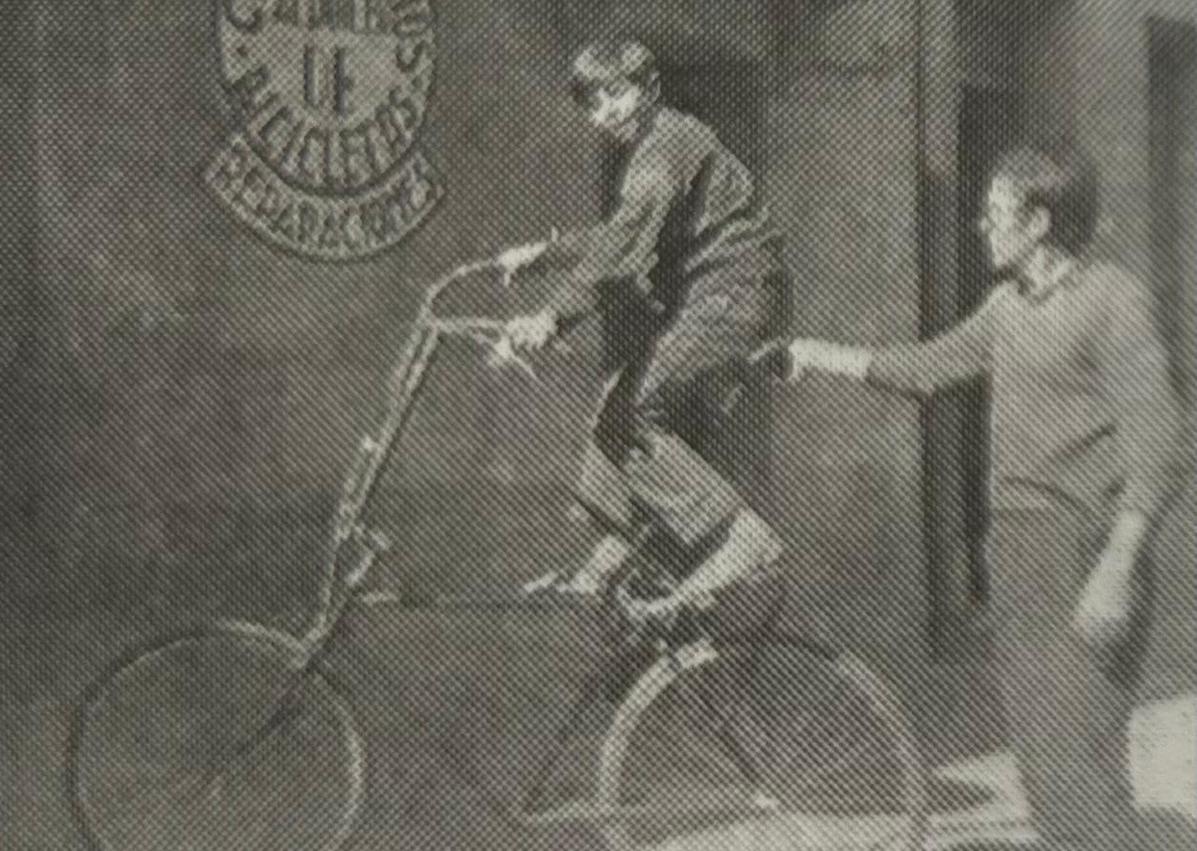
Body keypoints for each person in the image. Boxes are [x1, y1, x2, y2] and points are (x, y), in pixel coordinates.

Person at [761, 139, 1189, 850]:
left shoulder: (1114, 301)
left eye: (994, 213)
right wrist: (817, 354)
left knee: (1083, 747)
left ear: (1040, 221)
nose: (981, 227)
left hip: (1085, 550)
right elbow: (928, 367)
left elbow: (1161, 441)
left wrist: (1117, 566)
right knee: (1039, 751)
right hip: (1017, 547)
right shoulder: (1005, 308)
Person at [501, 39, 790, 635]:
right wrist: (545, 254)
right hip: (716, 297)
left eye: (616, 93)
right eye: (593, 101)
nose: (605, 111)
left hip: (734, 296)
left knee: (638, 412)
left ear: (649, 88)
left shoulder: (665, 151)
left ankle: (742, 538)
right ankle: (618, 545)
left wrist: (551, 316)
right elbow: (624, 235)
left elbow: (626, 249)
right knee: (617, 405)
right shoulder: (658, 150)